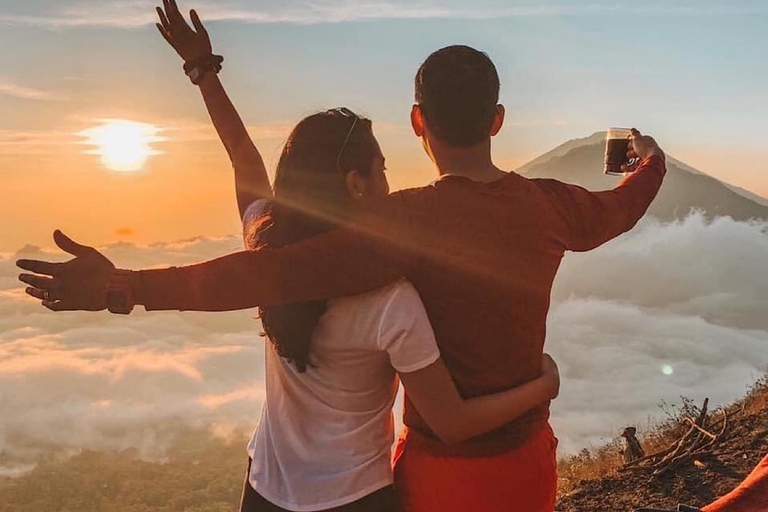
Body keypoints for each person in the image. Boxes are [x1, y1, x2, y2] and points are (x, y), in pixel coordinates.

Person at [17, 15, 667, 512]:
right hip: (464, 476)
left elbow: (257, 250)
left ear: (419, 122)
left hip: (322, 483)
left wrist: (122, 288)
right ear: (497, 119)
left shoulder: (344, 232)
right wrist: (652, 163)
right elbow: (621, 209)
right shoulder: (539, 214)